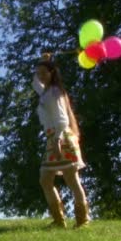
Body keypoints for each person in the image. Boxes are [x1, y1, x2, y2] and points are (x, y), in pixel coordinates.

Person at [31, 52, 91, 229]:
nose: (41, 76)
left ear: (52, 73)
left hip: (61, 136)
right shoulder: (45, 92)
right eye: (39, 72)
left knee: (71, 179)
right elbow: (34, 83)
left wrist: (57, 141)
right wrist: (44, 61)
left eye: (44, 72)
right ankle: (59, 220)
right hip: (52, 137)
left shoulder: (55, 92)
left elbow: (62, 119)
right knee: (45, 179)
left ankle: (82, 219)